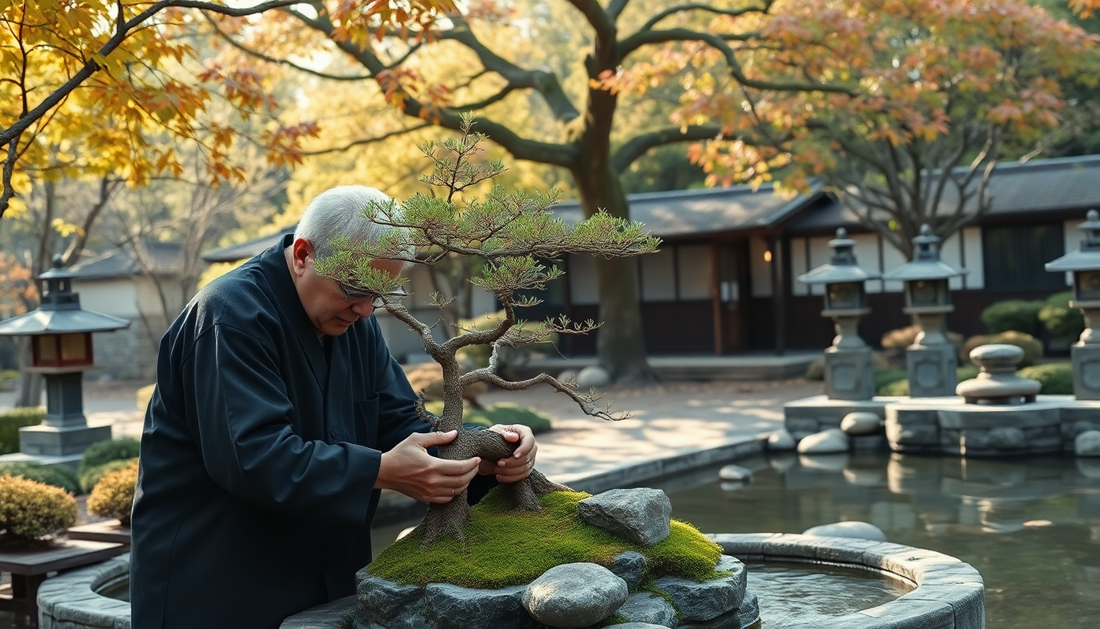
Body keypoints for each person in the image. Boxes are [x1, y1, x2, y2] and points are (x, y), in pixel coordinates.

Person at [129, 185, 538, 629]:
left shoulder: (353, 323)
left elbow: (400, 421)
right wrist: (378, 471)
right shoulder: (230, 317)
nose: (366, 309)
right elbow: (254, 457)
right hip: (218, 579)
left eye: (381, 293)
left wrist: (486, 452)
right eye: (355, 288)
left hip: (325, 573)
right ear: (303, 255)